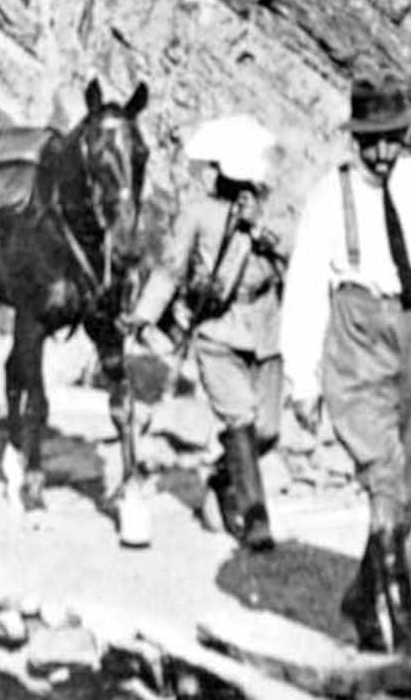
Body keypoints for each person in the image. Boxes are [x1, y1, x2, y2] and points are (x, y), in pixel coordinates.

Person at [279, 77, 411, 693]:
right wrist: (302, 377)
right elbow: (304, 289)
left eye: (390, 141)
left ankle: (361, 600)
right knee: (384, 480)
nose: (380, 154)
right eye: (369, 142)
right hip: (358, 336)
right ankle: (407, 651)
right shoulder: (329, 197)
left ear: (406, 136)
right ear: (355, 139)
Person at [122, 115, 289, 552]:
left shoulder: (268, 215)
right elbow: (172, 268)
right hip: (218, 330)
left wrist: (260, 231)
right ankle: (256, 519)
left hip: (267, 328)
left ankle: (222, 477)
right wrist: (145, 313)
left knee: (268, 429)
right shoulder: (196, 213)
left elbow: (294, 256)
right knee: (240, 419)